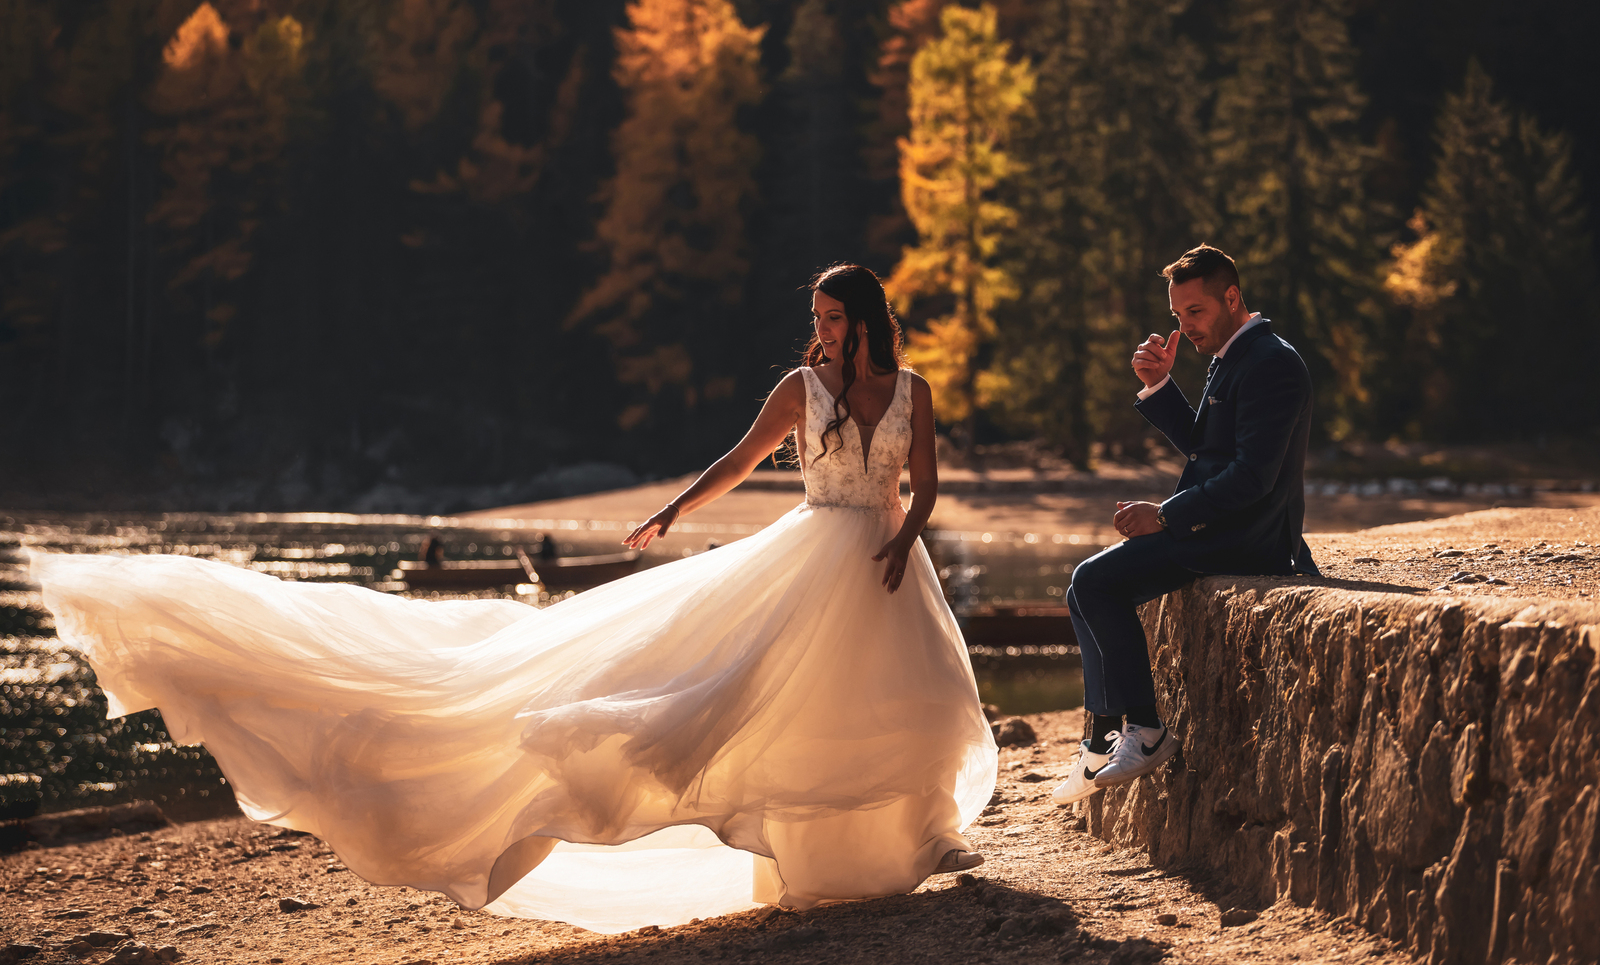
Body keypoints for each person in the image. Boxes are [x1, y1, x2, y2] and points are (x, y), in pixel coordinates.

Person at [32, 263, 995, 935]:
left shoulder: (909, 387)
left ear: (865, 318)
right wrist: (667, 509)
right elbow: (737, 461)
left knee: (902, 699)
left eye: (833, 317)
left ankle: (919, 838)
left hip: (884, 556)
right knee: (757, 700)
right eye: (818, 318)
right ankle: (803, 860)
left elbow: (927, 484)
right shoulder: (799, 388)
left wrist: (906, 540)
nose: (821, 330)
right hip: (812, 554)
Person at [1053, 245, 1317, 807]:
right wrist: (1158, 386)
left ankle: (1144, 732)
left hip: (1247, 539)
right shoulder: (1233, 354)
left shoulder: (1270, 362)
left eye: (1194, 312)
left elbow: (1253, 477)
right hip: (1221, 528)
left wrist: (1166, 515)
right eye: (1177, 315)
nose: (1184, 326)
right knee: (1085, 587)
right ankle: (1100, 740)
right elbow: (1208, 449)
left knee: (1096, 583)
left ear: (1231, 298)